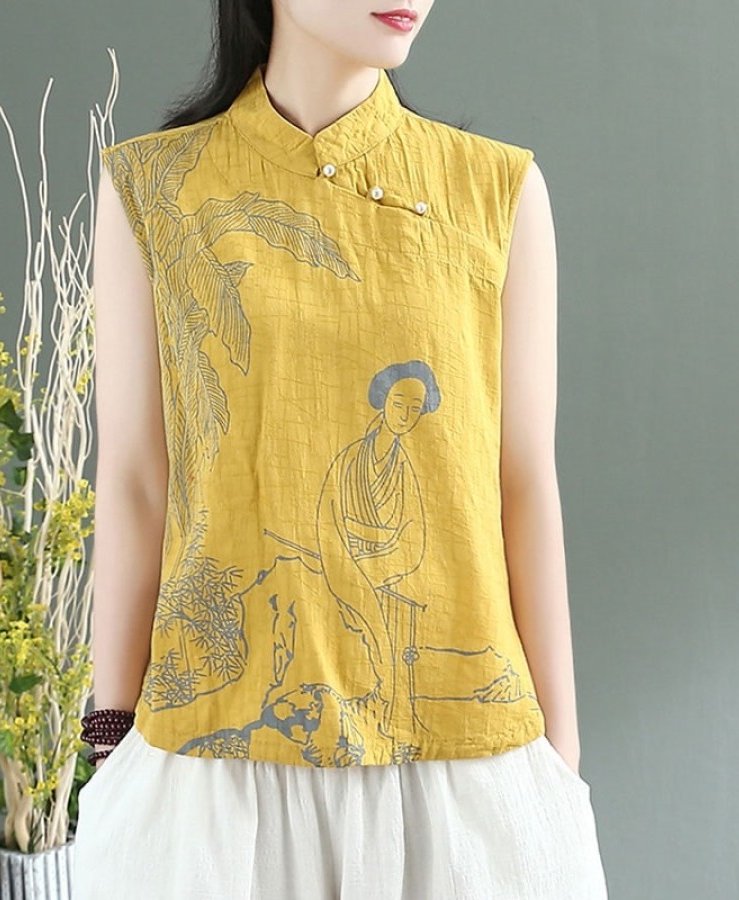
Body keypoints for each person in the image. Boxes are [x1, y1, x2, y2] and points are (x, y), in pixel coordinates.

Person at [73, 1, 609, 897]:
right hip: (212, 768)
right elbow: (134, 479)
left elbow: (521, 478)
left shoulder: (497, 190)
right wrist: (110, 741)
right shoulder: (153, 188)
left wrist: (561, 758)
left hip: (465, 772)